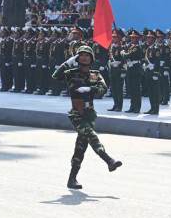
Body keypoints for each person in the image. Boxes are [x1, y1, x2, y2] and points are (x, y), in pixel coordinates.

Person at [52, 46, 122, 190]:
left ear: (91, 58)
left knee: (80, 147)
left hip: (89, 113)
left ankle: (72, 179)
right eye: (81, 55)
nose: (84, 57)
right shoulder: (71, 73)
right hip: (77, 112)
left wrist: (91, 89)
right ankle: (108, 160)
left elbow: (103, 88)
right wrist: (67, 63)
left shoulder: (94, 75)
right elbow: (55, 75)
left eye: (87, 55)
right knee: (91, 135)